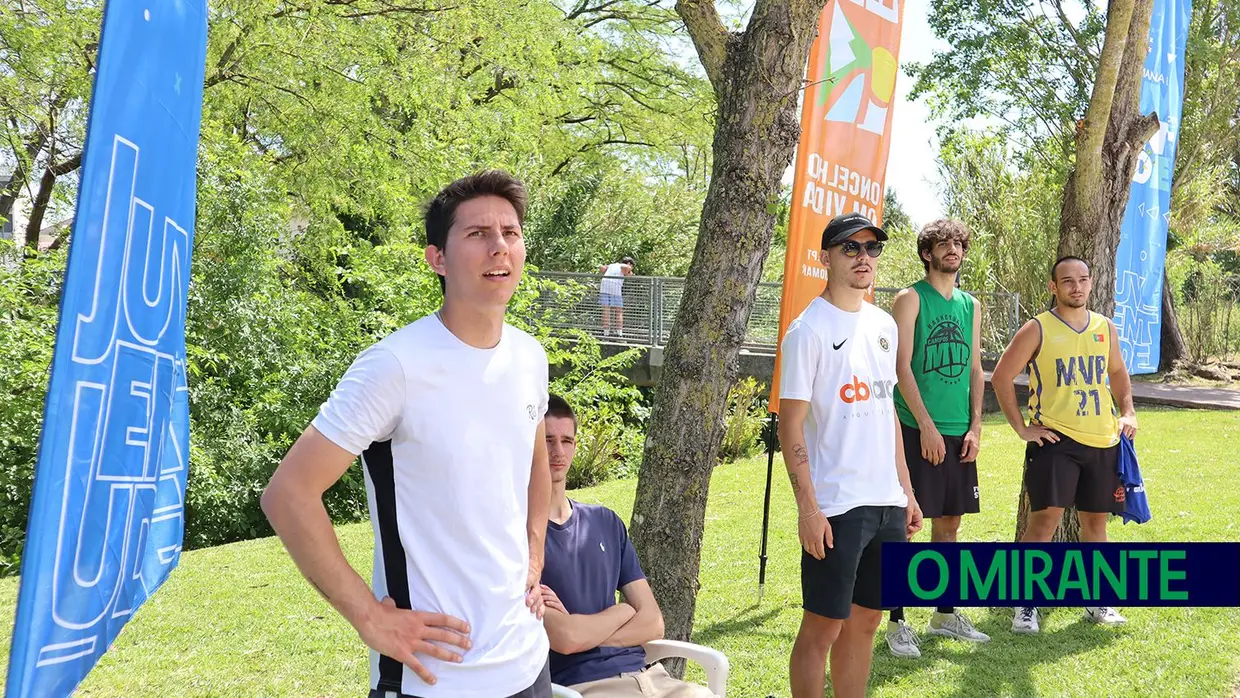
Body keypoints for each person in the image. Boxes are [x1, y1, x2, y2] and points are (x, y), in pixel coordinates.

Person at [261, 171, 554, 698]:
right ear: (436, 259)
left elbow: (534, 458)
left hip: (528, 663)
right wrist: (371, 619)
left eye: (510, 233)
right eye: (477, 234)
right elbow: (288, 495)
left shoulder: (529, 357)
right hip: (432, 680)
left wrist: (535, 550)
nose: (499, 247)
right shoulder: (394, 366)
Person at [778, 212, 924, 698]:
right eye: (851, 248)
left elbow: (887, 417)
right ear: (826, 258)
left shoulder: (884, 324)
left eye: (872, 248)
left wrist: (907, 493)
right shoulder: (807, 330)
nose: (864, 258)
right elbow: (790, 424)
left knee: (866, 623)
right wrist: (808, 509)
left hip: (886, 502)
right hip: (836, 507)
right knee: (822, 630)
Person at [991, 255, 1138, 634]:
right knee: (1044, 523)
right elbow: (1002, 377)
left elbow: (1118, 372)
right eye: (1068, 281)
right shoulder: (1037, 328)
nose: (1077, 287)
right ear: (1053, 287)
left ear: (1091, 284)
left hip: (1103, 440)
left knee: (1096, 524)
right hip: (1056, 440)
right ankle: (1025, 603)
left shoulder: (1105, 327)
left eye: (1084, 279)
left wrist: (1128, 412)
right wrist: (1023, 429)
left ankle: (1097, 600)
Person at [538, 395, 714, 697]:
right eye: (548, 440)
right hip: (585, 685)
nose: (558, 451)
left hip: (651, 677)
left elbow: (653, 622)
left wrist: (589, 636)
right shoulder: (523, 537)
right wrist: (622, 611)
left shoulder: (605, 522)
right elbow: (565, 638)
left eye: (566, 440)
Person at [885, 219, 990, 657]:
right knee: (905, 526)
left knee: (949, 526)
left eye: (958, 243)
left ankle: (944, 613)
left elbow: (974, 368)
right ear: (927, 253)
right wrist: (926, 426)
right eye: (943, 244)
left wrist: (976, 426)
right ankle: (896, 621)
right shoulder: (909, 299)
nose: (953, 250)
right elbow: (901, 366)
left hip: (957, 432)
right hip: (915, 428)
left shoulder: (971, 304)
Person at [599, 256, 635, 338]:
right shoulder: (623, 266)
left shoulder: (612, 265)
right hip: (614, 286)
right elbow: (627, 269)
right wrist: (630, 271)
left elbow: (602, 268)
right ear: (629, 263)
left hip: (604, 285)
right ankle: (619, 333)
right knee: (619, 311)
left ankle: (606, 333)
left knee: (606, 309)